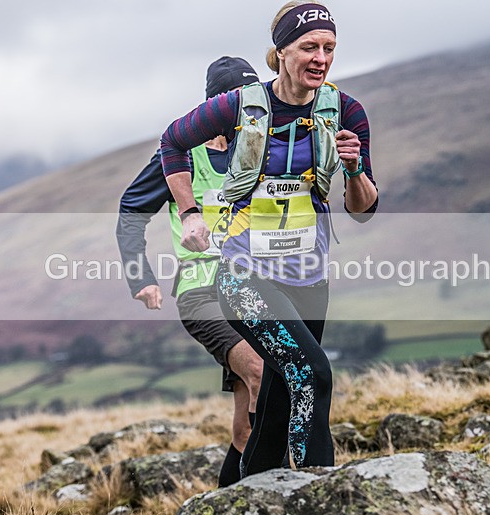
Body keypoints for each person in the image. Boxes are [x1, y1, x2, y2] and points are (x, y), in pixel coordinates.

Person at [160, 1, 378, 477]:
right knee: (314, 374)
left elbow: (362, 209)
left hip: (308, 277)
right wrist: (191, 213)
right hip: (244, 274)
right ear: (281, 52)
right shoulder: (237, 106)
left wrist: (356, 168)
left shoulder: (345, 111)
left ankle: (243, 503)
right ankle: (321, 494)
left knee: (277, 402)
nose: (320, 58)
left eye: (329, 48)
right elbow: (172, 142)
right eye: (309, 47)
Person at [116, 57, 265, 486]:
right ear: (216, 103)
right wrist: (140, 277)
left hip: (257, 291)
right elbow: (131, 211)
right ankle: (273, 490)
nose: (249, 109)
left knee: (245, 424)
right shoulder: (180, 157)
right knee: (259, 370)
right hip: (203, 293)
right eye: (239, 100)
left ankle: (225, 510)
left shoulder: (258, 150)